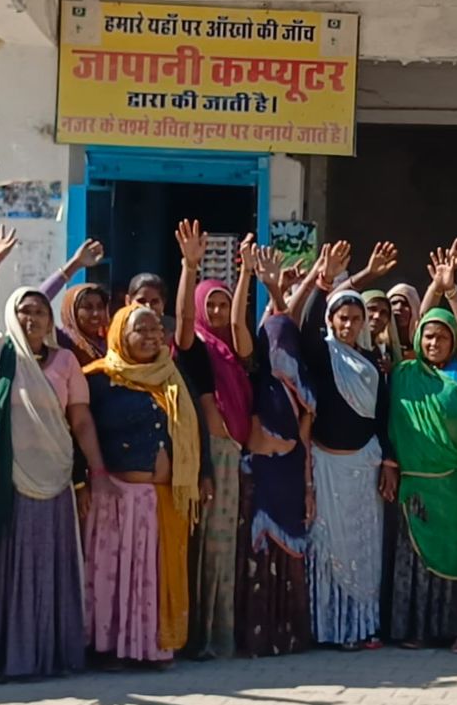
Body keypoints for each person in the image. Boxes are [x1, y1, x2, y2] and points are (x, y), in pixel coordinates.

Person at [0, 224, 106, 682]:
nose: (32, 318)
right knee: (6, 570)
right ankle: (4, 658)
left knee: (46, 568)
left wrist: (97, 471)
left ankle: (46, 655)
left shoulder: (65, 361)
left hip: (54, 480)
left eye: (40, 311)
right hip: (5, 480)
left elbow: (80, 421)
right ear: (11, 315)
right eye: (24, 310)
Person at [83, 299, 207, 666]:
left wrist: (204, 475)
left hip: (164, 498)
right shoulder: (97, 379)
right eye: (142, 329)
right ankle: (108, 650)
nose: (152, 336)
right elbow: (79, 432)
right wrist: (85, 481)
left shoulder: (171, 376)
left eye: (156, 329)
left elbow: (195, 428)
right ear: (121, 334)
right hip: (116, 498)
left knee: (153, 577)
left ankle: (150, 648)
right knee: (114, 576)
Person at [293, 239, 396, 650]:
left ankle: (362, 627)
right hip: (327, 467)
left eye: (356, 318)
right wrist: (324, 283)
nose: (349, 324)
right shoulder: (323, 355)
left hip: (363, 470)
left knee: (363, 553)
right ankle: (328, 630)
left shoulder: (372, 364)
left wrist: (388, 463)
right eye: (342, 318)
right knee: (328, 551)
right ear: (332, 321)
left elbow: (382, 418)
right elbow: (305, 325)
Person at [389, 242, 457, 650]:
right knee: (416, 560)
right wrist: (433, 289)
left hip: (455, 488)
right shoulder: (405, 373)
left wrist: (452, 291)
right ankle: (417, 630)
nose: (433, 342)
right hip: (415, 487)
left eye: (442, 337)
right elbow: (420, 321)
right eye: (428, 337)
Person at [175, 225, 257, 659]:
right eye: (211, 304)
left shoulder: (235, 351)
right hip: (209, 454)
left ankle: (220, 634)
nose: (219, 311)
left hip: (236, 454)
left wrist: (246, 274)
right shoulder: (195, 347)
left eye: (223, 303)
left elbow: (242, 323)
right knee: (206, 546)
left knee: (225, 550)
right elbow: (184, 323)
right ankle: (199, 636)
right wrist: (189, 268)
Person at [239, 246, 316, 658]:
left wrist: (307, 486)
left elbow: (304, 441)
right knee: (257, 558)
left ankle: (287, 637)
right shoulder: (256, 378)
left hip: (288, 475)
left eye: (287, 345)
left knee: (289, 559)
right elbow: (271, 322)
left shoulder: (304, 389)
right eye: (274, 344)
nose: (280, 349)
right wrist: (269, 287)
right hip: (258, 475)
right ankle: (256, 638)